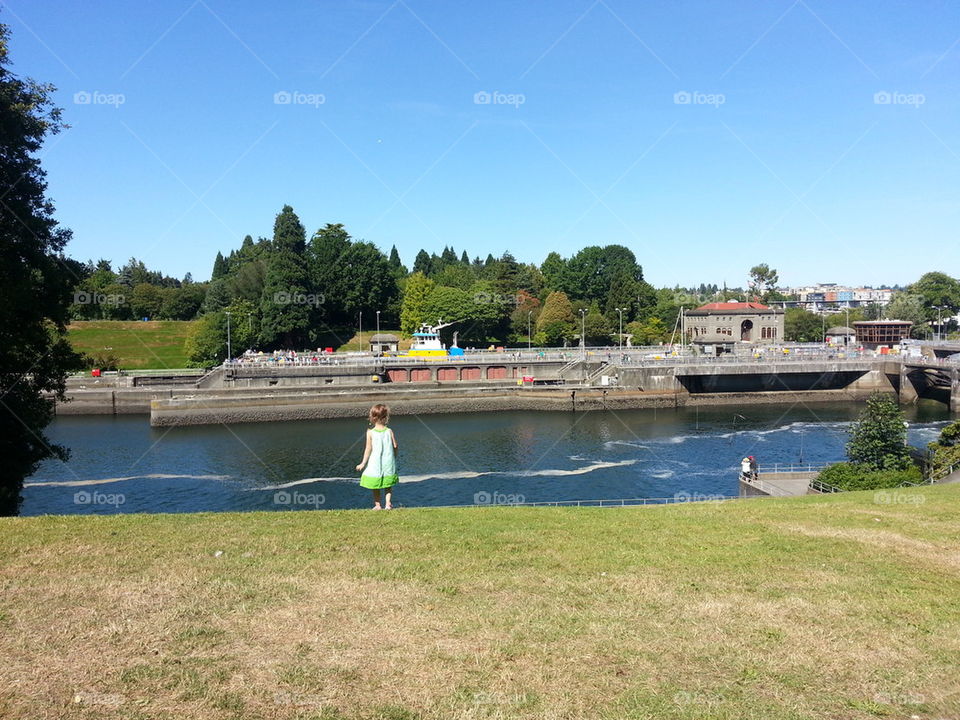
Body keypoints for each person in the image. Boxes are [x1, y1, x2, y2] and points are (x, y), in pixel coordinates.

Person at [356, 404, 399, 510]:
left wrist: (363, 463)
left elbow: (368, 449)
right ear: (386, 417)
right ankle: (388, 504)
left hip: (376, 463)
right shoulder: (389, 431)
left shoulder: (370, 433)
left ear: (372, 418)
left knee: (375, 485)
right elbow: (395, 445)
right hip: (388, 461)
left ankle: (378, 505)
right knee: (387, 484)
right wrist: (395, 455)